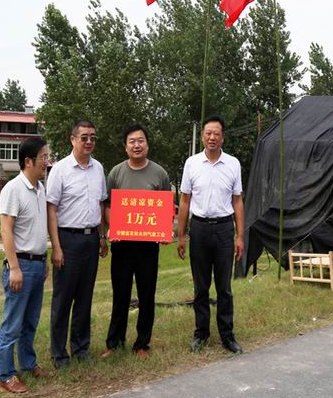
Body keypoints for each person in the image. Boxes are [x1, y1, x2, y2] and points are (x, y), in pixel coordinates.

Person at [101, 124, 171, 360]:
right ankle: (114, 343)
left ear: (147, 145)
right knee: (120, 295)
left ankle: (142, 344)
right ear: (126, 146)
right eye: (132, 141)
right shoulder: (116, 173)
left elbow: (165, 208)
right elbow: (107, 206)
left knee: (147, 295)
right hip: (122, 244)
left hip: (147, 246)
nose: (137, 145)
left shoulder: (160, 174)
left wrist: (164, 231)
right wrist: (113, 227)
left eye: (141, 141)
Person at [177, 115, 245, 354]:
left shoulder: (233, 164)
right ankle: (201, 334)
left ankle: (227, 335)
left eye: (216, 133)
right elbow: (185, 201)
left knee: (224, 287)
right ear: (202, 136)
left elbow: (237, 201)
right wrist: (181, 235)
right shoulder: (192, 163)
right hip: (199, 229)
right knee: (201, 286)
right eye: (208, 133)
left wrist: (240, 236)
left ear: (222, 137)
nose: (212, 137)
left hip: (225, 229)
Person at [46, 120, 108, 368]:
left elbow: (100, 204)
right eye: (84, 137)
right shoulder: (60, 170)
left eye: (93, 137)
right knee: (63, 299)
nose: (89, 142)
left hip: (91, 239)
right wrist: (56, 246)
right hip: (68, 240)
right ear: (73, 139)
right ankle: (59, 354)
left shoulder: (98, 168)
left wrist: (102, 236)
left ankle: (81, 348)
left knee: (84, 297)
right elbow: (51, 209)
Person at [0, 137, 51, 394]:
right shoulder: (13, 189)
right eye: (43, 157)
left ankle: (28, 364)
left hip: (38, 264)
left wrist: (44, 260)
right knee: (12, 324)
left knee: (31, 321)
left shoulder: (40, 188)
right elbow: (6, 231)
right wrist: (15, 267)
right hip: (21, 266)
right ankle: (6, 375)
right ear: (28, 161)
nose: (47, 162)